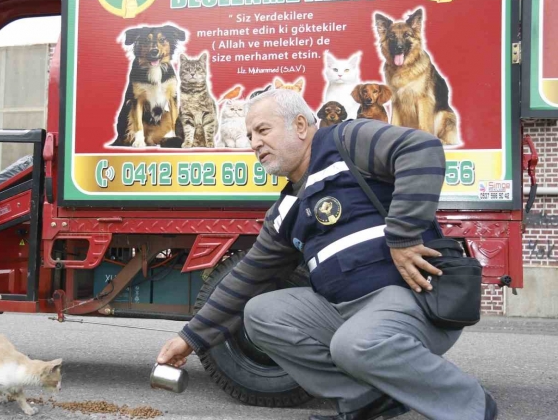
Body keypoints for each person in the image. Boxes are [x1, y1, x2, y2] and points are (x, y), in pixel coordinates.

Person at [156, 89, 497, 420]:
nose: (254, 143)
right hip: (348, 313)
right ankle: (365, 399)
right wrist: (190, 338)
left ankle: (472, 407)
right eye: (249, 136)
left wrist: (403, 235)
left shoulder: (347, 141)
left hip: (412, 301)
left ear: (301, 126)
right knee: (260, 312)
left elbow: (420, 148)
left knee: (353, 344)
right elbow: (247, 279)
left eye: (262, 130)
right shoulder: (286, 209)